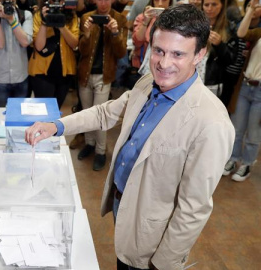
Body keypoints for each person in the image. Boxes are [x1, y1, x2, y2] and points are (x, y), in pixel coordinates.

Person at [25, 5, 235, 269]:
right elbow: (105, 113)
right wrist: (56, 126)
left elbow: (193, 209)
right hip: (123, 209)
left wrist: (163, 264)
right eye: (158, 50)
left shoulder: (211, 122)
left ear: (199, 54)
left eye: (178, 54)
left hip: (153, 242)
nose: (163, 63)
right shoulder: (147, 83)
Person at [76, 0, 127, 171]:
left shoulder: (119, 19)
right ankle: (90, 144)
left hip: (104, 76)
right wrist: (87, 34)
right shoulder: (86, 17)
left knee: (100, 115)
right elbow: (81, 51)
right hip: (85, 74)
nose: (103, 2)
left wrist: (114, 33)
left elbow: (121, 53)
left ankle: (101, 151)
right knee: (86, 112)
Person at [223, 1, 261, 181]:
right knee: (237, 128)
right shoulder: (258, 31)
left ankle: (247, 163)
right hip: (245, 85)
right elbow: (241, 33)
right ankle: (233, 158)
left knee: (254, 132)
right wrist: (252, 9)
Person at [28, 0, 79, 108]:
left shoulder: (71, 16)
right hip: (41, 73)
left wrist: (61, 25)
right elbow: (39, 46)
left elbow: (74, 44)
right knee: (43, 111)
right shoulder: (39, 15)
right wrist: (44, 22)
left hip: (65, 72)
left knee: (56, 110)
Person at [0, 0, 33, 107]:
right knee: (0, 116)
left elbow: (25, 41)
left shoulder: (25, 15)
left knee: (19, 115)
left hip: (20, 75)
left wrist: (12, 20)